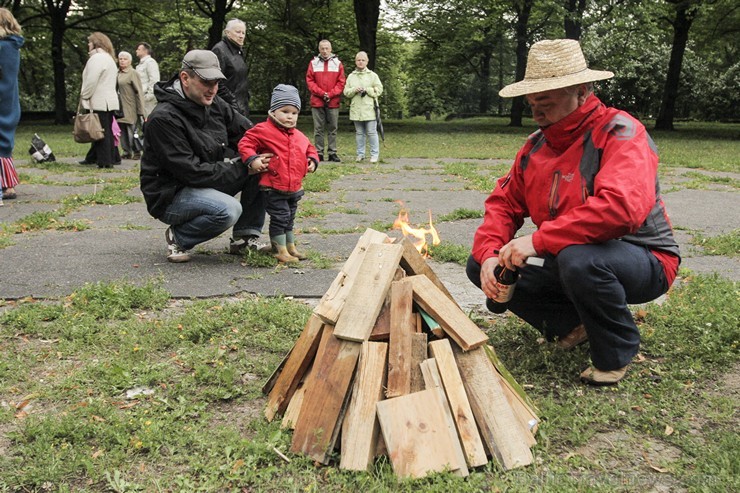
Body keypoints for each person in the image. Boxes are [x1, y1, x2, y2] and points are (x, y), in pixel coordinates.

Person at [466, 39, 681, 386]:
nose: (536, 112)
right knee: (483, 264)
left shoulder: (620, 131)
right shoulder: (535, 146)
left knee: (579, 258)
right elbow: (503, 203)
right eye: (532, 102)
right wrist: (491, 254)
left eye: (546, 101)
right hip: (567, 253)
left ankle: (615, 351)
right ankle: (571, 325)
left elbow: (621, 209)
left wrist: (539, 240)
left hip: (645, 258)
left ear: (581, 93)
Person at [140, 50, 266, 263]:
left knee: (262, 161)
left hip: (204, 181)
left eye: (216, 82)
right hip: (172, 194)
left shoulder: (215, 103)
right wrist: (244, 167)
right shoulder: (163, 119)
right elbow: (191, 172)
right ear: (185, 78)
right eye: (206, 82)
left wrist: (284, 147)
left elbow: (249, 134)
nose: (213, 89)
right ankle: (178, 237)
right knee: (228, 209)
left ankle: (245, 237)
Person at [237, 84, 319, 263]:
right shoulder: (263, 130)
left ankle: (290, 246)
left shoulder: (298, 135)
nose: (290, 116)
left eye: (294, 113)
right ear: (273, 112)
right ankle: (279, 249)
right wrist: (253, 159)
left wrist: (312, 160)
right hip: (273, 185)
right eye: (285, 111)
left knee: (289, 217)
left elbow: (310, 148)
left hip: (294, 187)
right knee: (280, 217)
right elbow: (245, 143)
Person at [79, 32, 120, 169]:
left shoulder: (96, 59)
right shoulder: (109, 58)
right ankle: (104, 158)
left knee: (100, 132)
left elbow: (91, 81)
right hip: (109, 100)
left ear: (96, 43)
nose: (88, 45)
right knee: (105, 130)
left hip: (99, 100)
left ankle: (105, 161)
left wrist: (84, 95)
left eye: (90, 42)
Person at [306, 39, 345, 162]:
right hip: (317, 100)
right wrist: (322, 94)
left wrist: (331, 94)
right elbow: (310, 81)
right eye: (322, 48)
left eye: (327, 48)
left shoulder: (338, 63)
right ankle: (319, 153)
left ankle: (332, 153)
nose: (324, 51)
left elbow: (341, 82)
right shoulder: (313, 63)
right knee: (318, 128)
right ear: (319, 49)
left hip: (333, 101)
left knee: (333, 128)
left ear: (331, 49)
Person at [0, 8, 24, 200]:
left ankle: (6, 185)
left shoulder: (3, 47)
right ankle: (7, 183)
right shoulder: (12, 46)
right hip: (9, 100)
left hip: (3, 99)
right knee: (4, 143)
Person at [343, 51, 383, 163]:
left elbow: (379, 90)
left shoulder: (373, 75)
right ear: (355, 61)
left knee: (371, 132)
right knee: (359, 133)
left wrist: (367, 90)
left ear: (367, 61)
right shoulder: (351, 76)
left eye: (363, 60)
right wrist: (354, 90)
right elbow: (346, 92)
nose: (360, 62)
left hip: (370, 109)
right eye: (358, 60)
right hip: (356, 110)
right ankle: (360, 154)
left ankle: (374, 154)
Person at [211, 19, 250, 117]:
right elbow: (216, 82)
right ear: (227, 33)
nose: (241, 36)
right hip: (227, 109)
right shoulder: (219, 50)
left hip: (241, 108)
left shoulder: (238, 51)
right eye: (238, 32)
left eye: (243, 33)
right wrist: (233, 103)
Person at [117, 51, 145, 160]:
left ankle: (136, 151)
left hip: (130, 106)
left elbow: (139, 92)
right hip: (120, 108)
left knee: (131, 131)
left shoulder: (133, 73)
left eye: (125, 59)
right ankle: (126, 151)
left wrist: (141, 110)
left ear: (130, 61)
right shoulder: (117, 73)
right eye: (121, 59)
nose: (122, 61)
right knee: (122, 131)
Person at [135, 42, 160, 118]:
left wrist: (149, 96)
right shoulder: (140, 65)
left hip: (147, 99)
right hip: (140, 97)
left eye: (138, 49)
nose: (136, 51)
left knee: (148, 120)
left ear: (145, 51)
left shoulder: (150, 62)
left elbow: (154, 80)